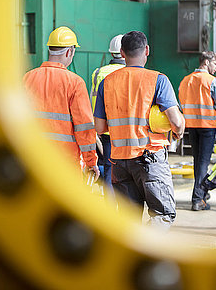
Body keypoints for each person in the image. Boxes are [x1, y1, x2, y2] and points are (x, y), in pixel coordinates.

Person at [93, 31, 185, 228]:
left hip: (119, 161)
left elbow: (100, 127)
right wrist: (178, 131)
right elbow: (176, 122)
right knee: (162, 215)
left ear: (122, 53)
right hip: (149, 158)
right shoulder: (158, 80)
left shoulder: (106, 83)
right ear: (147, 50)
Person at [24, 26, 100, 180]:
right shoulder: (75, 83)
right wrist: (91, 162)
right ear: (69, 52)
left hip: (32, 158)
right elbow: (84, 127)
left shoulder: (27, 78)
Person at [178, 51, 216, 211]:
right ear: (206, 62)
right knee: (203, 163)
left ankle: (202, 194)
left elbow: (181, 102)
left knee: (198, 162)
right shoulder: (212, 81)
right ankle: (198, 198)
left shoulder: (186, 80)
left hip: (191, 125)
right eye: (215, 64)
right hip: (207, 125)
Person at [89, 34, 125, 198]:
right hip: (127, 130)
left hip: (106, 129)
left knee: (110, 169)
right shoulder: (129, 72)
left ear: (111, 53)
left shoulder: (98, 72)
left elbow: (93, 100)